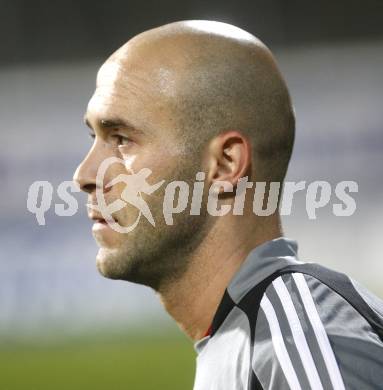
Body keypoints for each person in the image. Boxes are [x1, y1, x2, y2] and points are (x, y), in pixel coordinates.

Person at [73, 20, 383, 389]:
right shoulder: (251, 335)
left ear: (225, 165)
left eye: (121, 139)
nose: (84, 175)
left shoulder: (296, 337)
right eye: (95, 136)